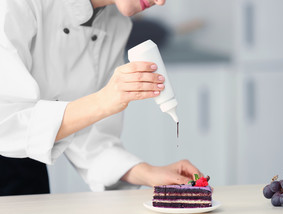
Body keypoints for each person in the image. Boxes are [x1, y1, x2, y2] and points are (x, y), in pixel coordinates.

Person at [0, 0, 202, 196]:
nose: (160, 2)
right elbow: (6, 124)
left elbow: (91, 140)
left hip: (27, 171)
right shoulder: (16, 4)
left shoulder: (115, 24)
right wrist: (103, 101)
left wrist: (148, 173)